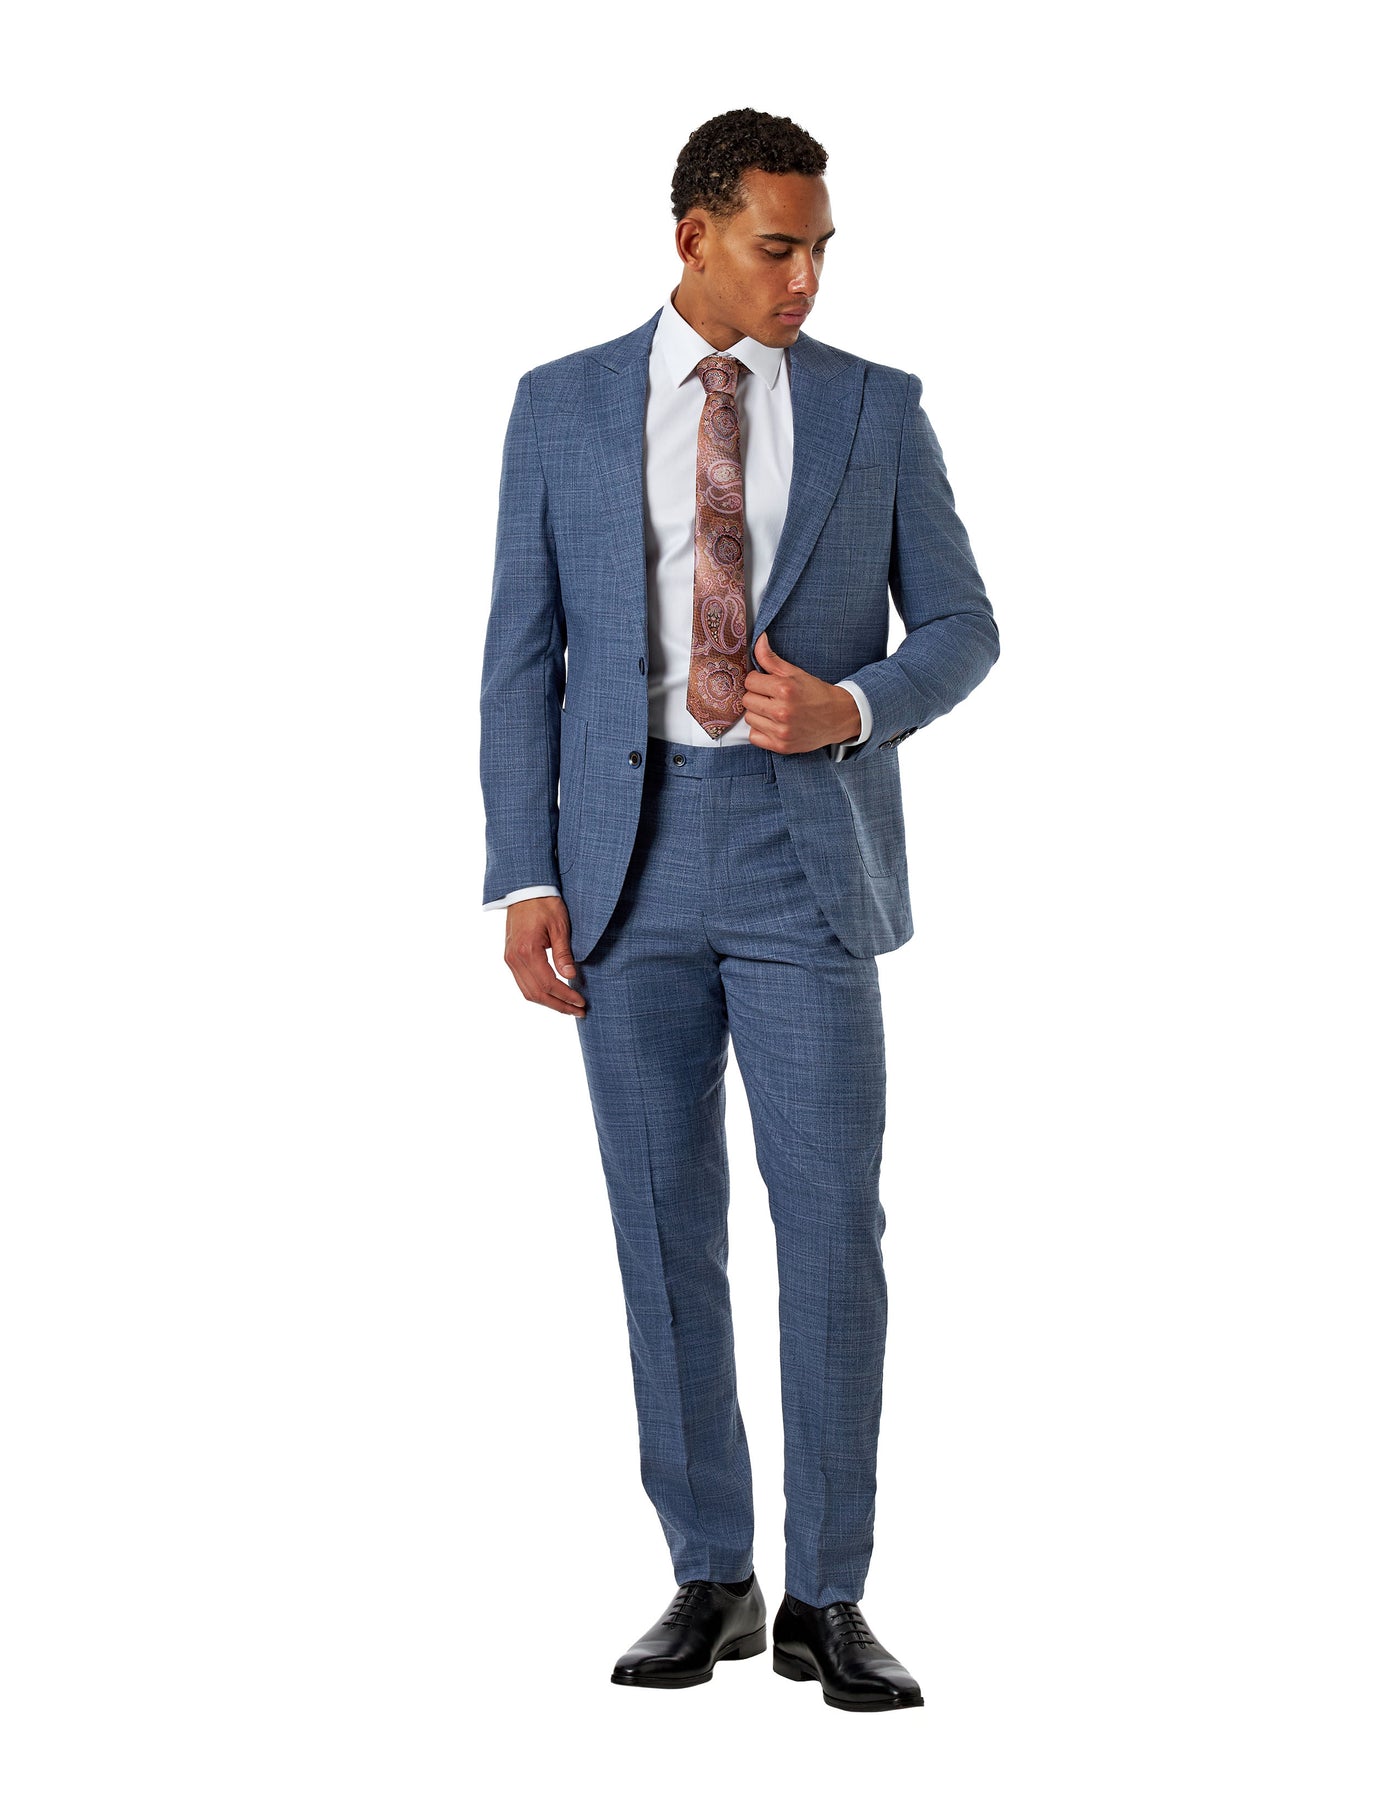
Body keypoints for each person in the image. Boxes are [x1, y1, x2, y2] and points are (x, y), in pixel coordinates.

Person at [479, 107, 999, 1713]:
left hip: (801, 857)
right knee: (660, 1226)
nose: (806, 280)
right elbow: (520, 656)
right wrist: (524, 871)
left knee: (830, 1226)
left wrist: (853, 704)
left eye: (821, 249)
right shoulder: (561, 405)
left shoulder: (873, 408)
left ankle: (825, 1598)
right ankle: (711, 1573)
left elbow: (965, 625)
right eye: (779, 248)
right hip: (619, 868)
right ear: (693, 234)